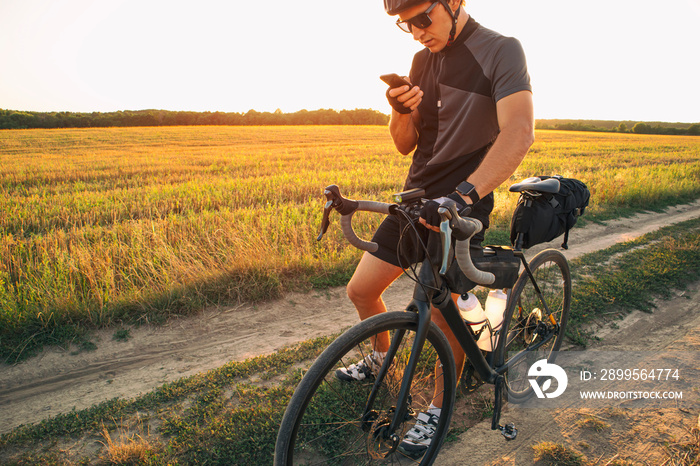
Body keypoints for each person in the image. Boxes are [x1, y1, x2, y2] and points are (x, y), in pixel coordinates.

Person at [336, 0, 534, 456]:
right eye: (405, 26)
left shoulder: (501, 50)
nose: (417, 31)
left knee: (445, 320)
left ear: (455, 2)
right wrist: (399, 109)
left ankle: (438, 408)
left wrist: (464, 195)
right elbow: (406, 143)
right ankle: (381, 358)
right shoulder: (421, 59)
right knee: (361, 291)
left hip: (461, 201)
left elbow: (519, 132)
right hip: (414, 199)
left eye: (423, 18)